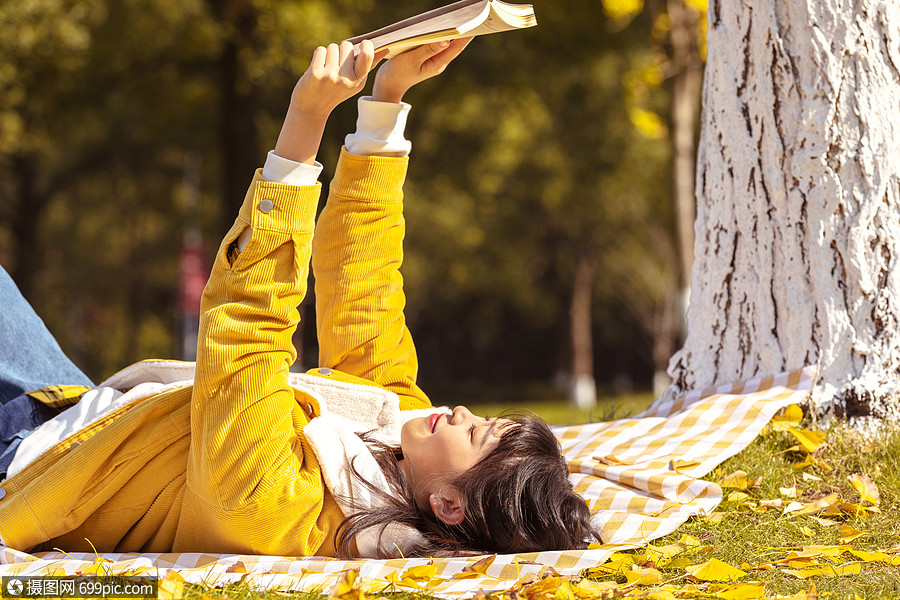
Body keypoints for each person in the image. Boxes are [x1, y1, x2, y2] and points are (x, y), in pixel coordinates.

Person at [0, 38, 596, 558]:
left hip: (23, 467)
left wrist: (304, 124)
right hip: (71, 410)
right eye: (484, 419)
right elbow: (366, 290)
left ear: (447, 505)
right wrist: (384, 105)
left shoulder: (273, 504)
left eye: (475, 435)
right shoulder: (395, 432)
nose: (464, 414)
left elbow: (247, 328)